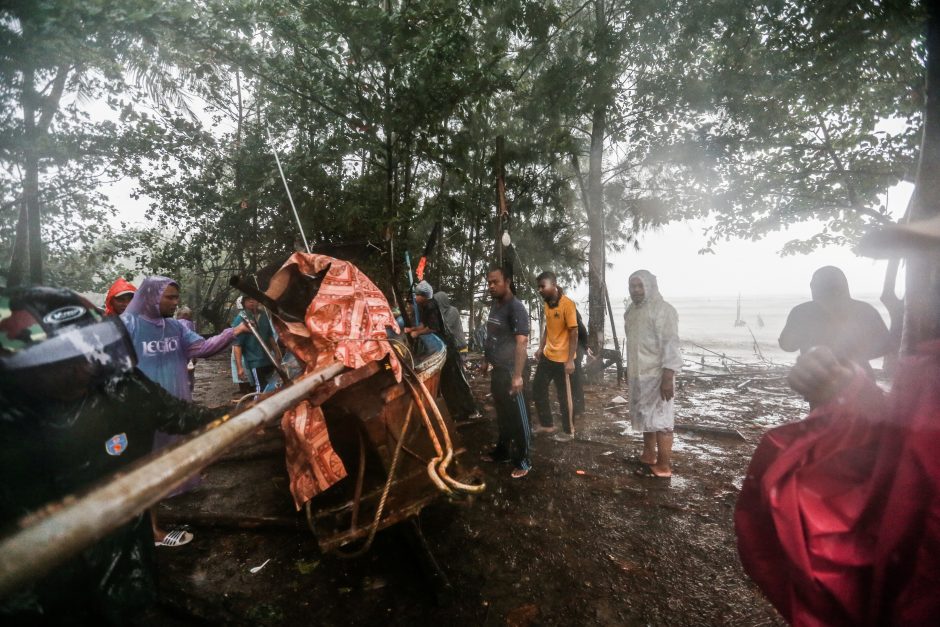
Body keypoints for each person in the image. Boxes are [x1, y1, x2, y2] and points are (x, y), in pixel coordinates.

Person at [736, 214, 940, 625]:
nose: (928, 291)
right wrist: (845, 391)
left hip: (851, 400)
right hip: (843, 401)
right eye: (931, 270)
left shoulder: (918, 361)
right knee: (831, 462)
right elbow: (901, 460)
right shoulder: (924, 369)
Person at [0, 286, 222, 625]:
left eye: (86, 351)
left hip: (126, 558)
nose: (83, 369)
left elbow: (177, 414)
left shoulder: (118, 384)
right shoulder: (9, 423)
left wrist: (234, 414)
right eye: (59, 360)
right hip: (44, 589)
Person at [121, 276, 249, 545]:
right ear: (151, 298)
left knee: (169, 456)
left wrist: (232, 333)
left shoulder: (176, 327)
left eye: (176, 297)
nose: (175, 303)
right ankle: (151, 532)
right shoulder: (128, 325)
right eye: (169, 297)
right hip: (142, 408)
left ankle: (153, 524)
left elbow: (200, 348)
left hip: (175, 405)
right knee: (144, 464)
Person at [778, 266, 891, 378]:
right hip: (858, 377)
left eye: (814, 285)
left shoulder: (802, 311)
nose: (812, 288)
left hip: (819, 380)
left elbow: (788, 346)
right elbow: (885, 346)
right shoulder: (864, 309)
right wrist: (853, 356)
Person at [624, 270, 682, 479]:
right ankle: (649, 454)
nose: (636, 290)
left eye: (640, 286)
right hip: (638, 373)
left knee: (662, 420)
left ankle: (664, 465)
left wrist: (668, 377)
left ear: (650, 286)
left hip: (658, 375)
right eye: (633, 286)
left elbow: (671, 345)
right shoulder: (631, 311)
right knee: (645, 416)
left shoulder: (663, 310)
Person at [479, 267, 532, 479]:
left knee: (520, 417)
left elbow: (522, 343)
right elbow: (492, 336)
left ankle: (524, 461)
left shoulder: (516, 308)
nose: (491, 286)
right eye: (489, 282)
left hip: (513, 371)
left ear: (507, 282)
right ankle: (502, 453)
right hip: (499, 370)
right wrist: (485, 360)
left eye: (495, 282)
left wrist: (518, 376)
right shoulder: (496, 306)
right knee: (502, 415)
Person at [405, 280, 480, 421]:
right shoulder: (431, 310)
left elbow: (434, 328)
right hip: (446, 351)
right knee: (448, 383)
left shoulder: (448, 312)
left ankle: (470, 409)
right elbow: (425, 324)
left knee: (458, 381)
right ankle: (457, 411)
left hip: (455, 349)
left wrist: (417, 332)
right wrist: (413, 329)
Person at [532, 270, 580, 437]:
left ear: (554, 285)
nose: (539, 290)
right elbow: (548, 327)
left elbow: (574, 333)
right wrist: (540, 347)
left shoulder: (568, 304)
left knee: (564, 397)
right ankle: (547, 424)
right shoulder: (547, 303)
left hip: (563, 360)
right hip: (548, 355)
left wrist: (570, 360)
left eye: (542, 286)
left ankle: (569, 431)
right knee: (537, 387)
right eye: (538, 287)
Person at [231, 297, 278, 394]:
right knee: (260, 388)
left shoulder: (263, 315)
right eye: (248, 300)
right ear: (244, 303)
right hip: (255, 361)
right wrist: (239, 367)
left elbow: (270, 336)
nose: (252, 301)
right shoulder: (241, 318)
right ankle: (257, 407)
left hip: (269, 358)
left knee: (272, 386)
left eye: (254, 299)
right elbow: (237, 345)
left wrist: (277, 352)